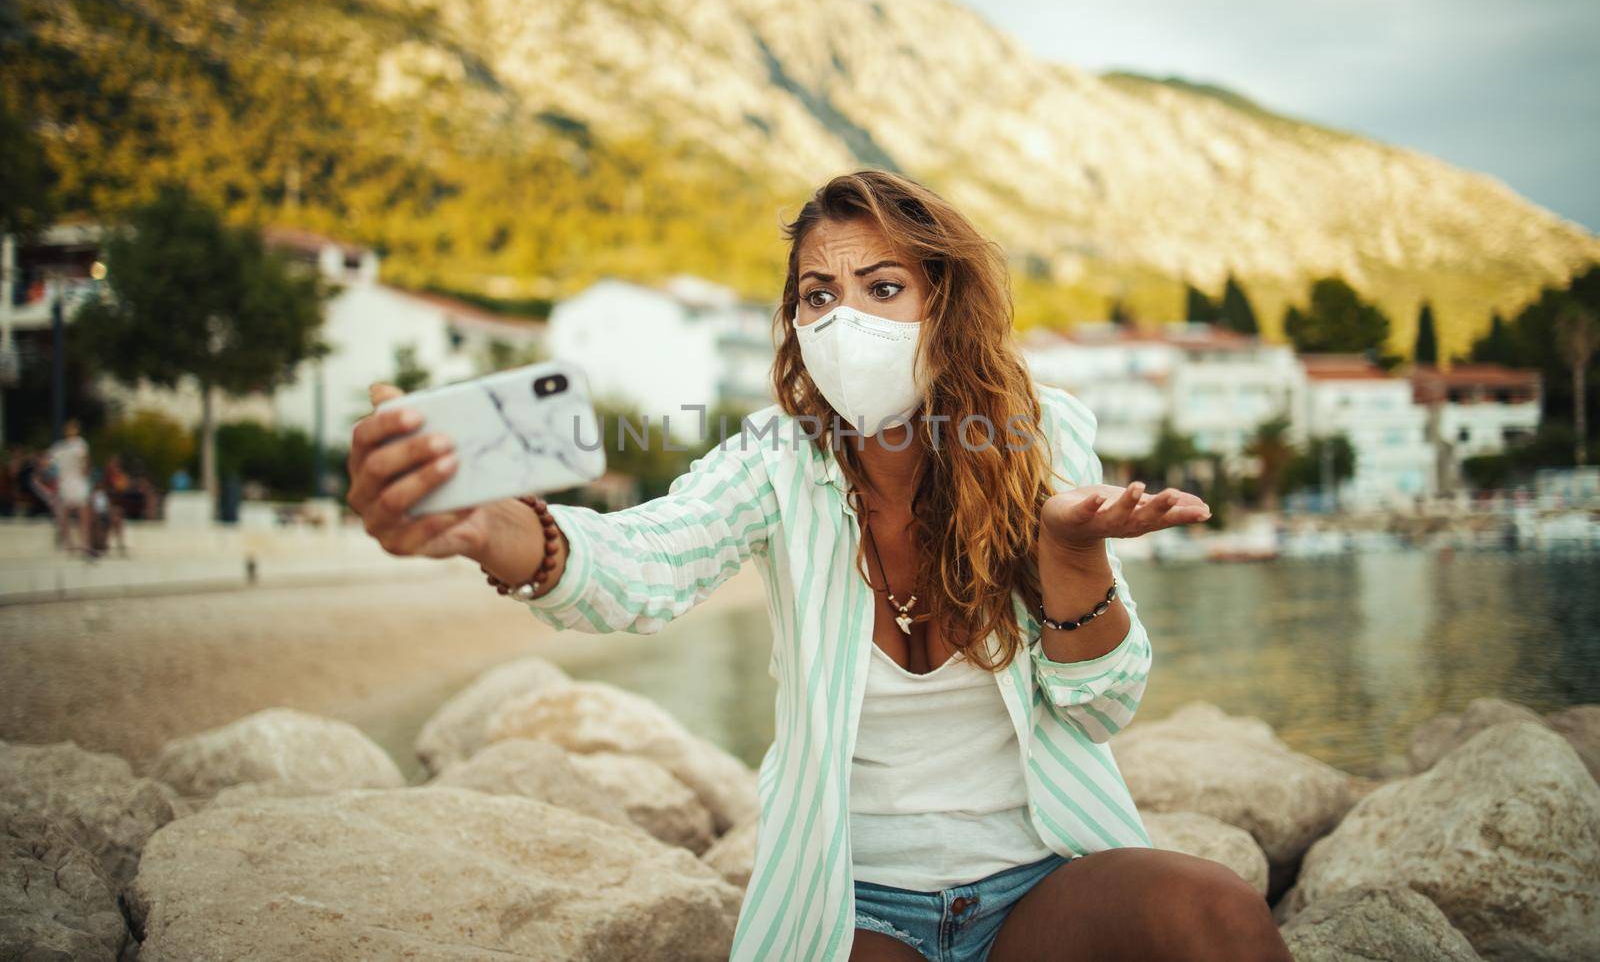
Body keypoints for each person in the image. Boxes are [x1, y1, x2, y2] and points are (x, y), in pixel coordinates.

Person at [346, 170, 1293, 962]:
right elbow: (641, 559)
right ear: (795, 320)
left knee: (1214, 915)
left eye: (883, 288)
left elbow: (1101, 706)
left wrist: (1069, 554)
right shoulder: (776, 460)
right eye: (818, 295)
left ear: (943, 305)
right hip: (858, 902)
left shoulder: (1041, 436)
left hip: (1039, 881)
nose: (846, 320)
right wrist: (496, 530)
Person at [46, 418, 95, 557]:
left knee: (79, 513)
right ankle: (74, 544)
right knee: (73, 514)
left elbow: (49, 464)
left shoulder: (69, 445)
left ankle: (80, 543)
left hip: (74, 482)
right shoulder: (63, 447)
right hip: (70, 482)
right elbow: (85, 463)